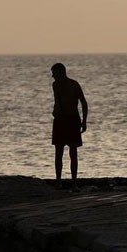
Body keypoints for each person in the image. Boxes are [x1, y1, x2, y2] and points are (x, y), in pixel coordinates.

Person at [51, 63, 88, 191]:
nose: (53, 76)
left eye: (54, 73)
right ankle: (58, 181)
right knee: (58, 151)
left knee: (73, 152)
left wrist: (84, 121)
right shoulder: (55, 85)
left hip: (72, 119)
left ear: (61, 72)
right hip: (60, 120)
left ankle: (74, 183)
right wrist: (56, 111)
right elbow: (57, 102)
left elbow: (83, 102)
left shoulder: (74, 84)